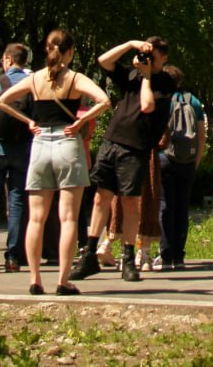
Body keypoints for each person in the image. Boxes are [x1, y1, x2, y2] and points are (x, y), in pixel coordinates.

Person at [0, 28, 110, 296]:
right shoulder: (74, 78)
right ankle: (63, 280)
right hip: (67, 142)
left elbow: (2, 101)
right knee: (68, 217)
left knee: (36, 217)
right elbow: (104, 100)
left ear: (47, 50)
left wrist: (29, 121)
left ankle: (35, 279)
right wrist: (81, 120)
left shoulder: (35, 79)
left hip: (39, 144)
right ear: (70, 52)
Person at [72, 36, 176, 283]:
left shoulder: (165, 82)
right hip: (112, 142)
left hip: (136, 148)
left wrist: (148, 75)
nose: (147, 60)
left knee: (131, 202)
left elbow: (147, 106)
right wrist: (131, 44)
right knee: (101, 198)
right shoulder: (131, 75)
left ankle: (128, 258)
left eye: (153, 56)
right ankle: (90, 253)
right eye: (146, 55)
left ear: (164, 58)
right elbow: (103, 61)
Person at [0, 42, 32, 273]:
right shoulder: (33, 84)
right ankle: (13, 257)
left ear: (9, 60)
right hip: (23, 149)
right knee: (18, 201)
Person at [155, 64, 205, 271]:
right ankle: (179, 255)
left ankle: (165, 255)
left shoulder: (161, 100)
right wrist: (196, 161)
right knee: (182, 207)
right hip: (188, 161)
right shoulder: (194, 101)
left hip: (165, 157)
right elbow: (201, 136)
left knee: (165, 205)